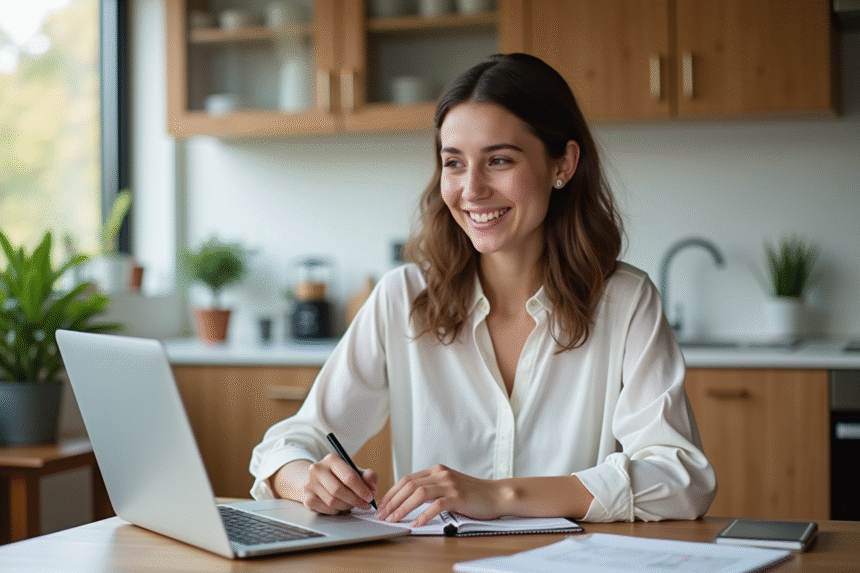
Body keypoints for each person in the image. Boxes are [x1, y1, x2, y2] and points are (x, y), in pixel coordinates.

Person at [250, 53, 716, 525]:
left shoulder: (626, 301)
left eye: (498, 160)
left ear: (563, 165)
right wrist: (306, 480)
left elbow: (681, 480)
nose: (471, 189)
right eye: (454, 163)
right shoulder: (403, 298)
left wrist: (500, 496)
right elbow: (287, 445)